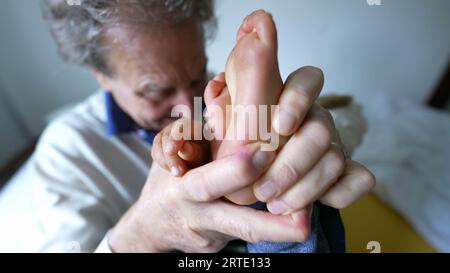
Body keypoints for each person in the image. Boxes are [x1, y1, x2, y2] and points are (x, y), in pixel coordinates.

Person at [33, 0, 375, 252]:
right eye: (157, 91)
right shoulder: (67, 152)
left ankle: (255, 167)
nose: (186, 104)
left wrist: (305, 139)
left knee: (293, 217)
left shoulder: (218, 96)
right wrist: (144, 232)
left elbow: (353, 114)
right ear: (101, 76)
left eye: (199, 75)